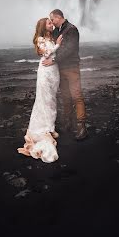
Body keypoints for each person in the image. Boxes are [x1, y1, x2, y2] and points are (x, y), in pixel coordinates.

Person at [17, 17, 64, 163]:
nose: (52, 24)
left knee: (52, 100)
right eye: (49, 23)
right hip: (45, 72)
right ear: (43, 27)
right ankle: (45, 129)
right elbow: (46, 53)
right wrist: (57, 45)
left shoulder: (52, 36)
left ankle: (51, 126)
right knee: (45, 100)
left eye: (51, 22)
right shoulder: (40, 38)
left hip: (54, 71)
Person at [46, 9, 88, 140]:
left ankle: (82, 128)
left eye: (52, 20)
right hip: (61, 68)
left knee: (77, 96)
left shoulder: (71, 29)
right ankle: (67, 124)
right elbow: (53, 47)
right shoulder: (57, 31)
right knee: (65, 96)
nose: (52, 22)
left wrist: (53, 60)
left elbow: (70, 49)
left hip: (71, 68)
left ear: (58, 17)